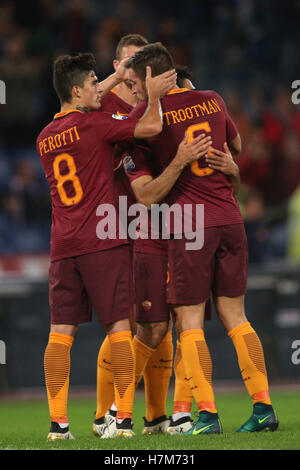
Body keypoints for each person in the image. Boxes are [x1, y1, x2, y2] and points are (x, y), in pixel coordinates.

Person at [125, 42, 279, 434]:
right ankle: (263, 408)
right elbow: (237, 148)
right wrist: (229, 166)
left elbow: (144, 195)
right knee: (236, 317)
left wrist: (175, 158)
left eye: (136, 83)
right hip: (230, 218)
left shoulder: (144, 118)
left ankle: (206, 415)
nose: (134, 92)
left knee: (189, 323)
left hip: (190, 226)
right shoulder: (211, 98)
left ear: (150, 77)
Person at [36, 51, 176, 440]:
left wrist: (112, 80)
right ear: (79, 90)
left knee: (60, 333)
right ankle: (125, 421)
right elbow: (147, 128)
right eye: (95, 83)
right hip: (102, 239)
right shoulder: (96, 125)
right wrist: (152, 95)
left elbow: (76, 109)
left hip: (63, 245)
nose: (103, 88)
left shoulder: (45, 137)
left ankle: (58, 425)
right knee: (119, 327)